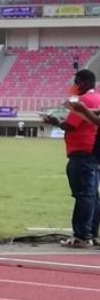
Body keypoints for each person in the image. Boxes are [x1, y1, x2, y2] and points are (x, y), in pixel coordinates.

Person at [43, 69, 100, 248]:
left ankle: (82, 236)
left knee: (84, 195)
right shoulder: (97, 98)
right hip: (94, 150)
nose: (74, 85)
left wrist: (54, 122)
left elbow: (70, 125)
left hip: (82, 151)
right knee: (92, 195)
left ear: (83, 82)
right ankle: (91, 233)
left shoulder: (83, 100)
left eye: (77, 81)